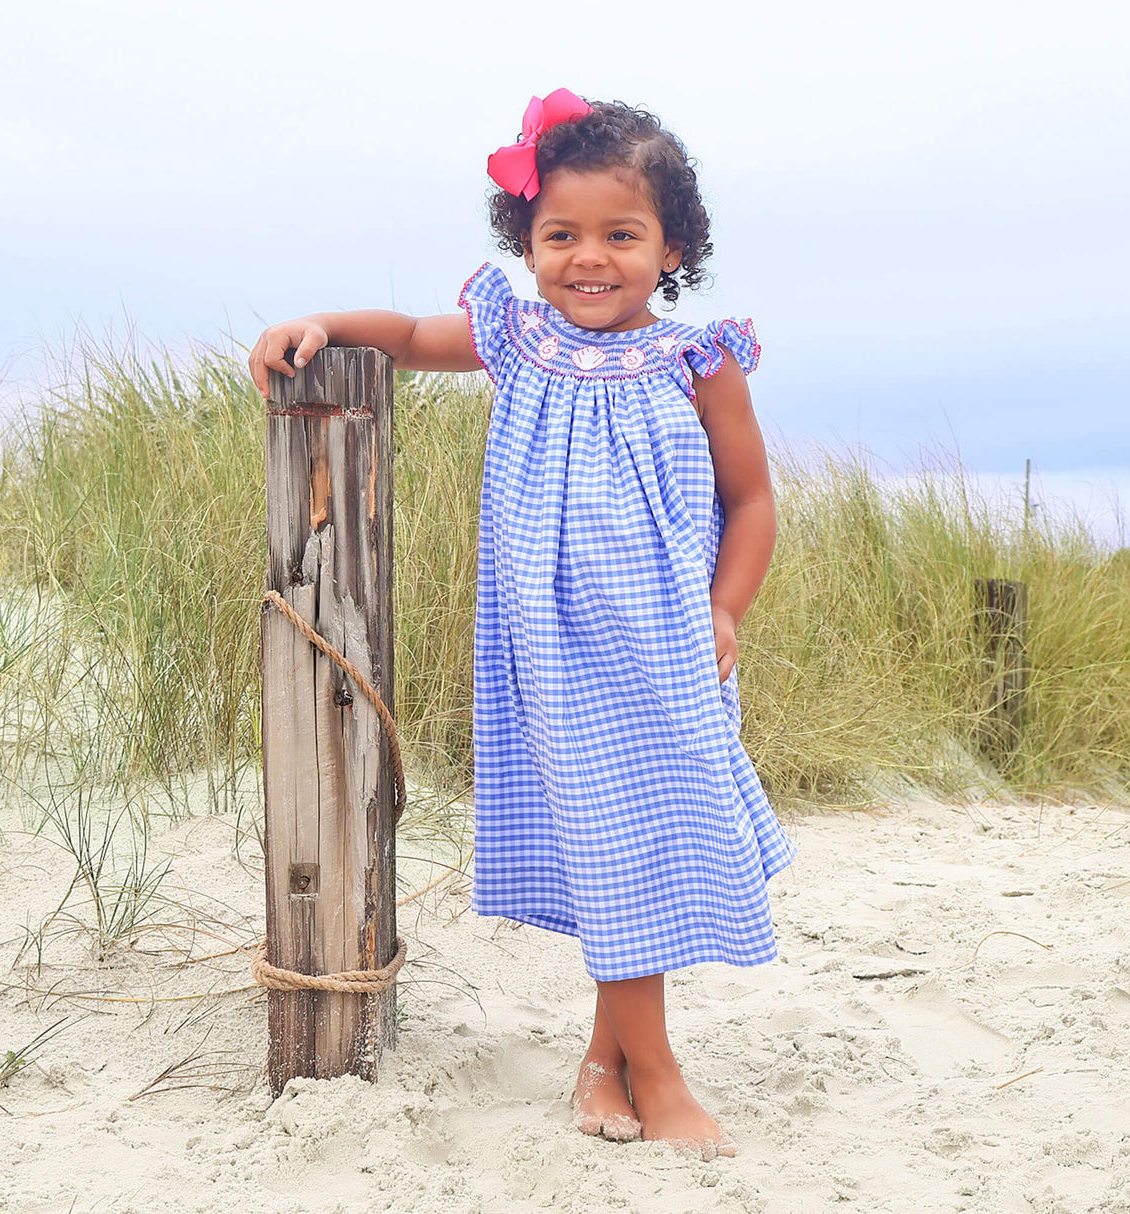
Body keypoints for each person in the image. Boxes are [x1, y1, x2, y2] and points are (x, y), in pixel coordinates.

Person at [249, 89, 796, 1161]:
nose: (588, 258)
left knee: (650, 840)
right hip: (552, 652)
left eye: (620, 235)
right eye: (559, 235)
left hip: (670, 646)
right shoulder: (521, 339)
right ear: (527, 241)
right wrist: (321, 324)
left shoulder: (700, 361)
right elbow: (410, 337)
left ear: (671, 247)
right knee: (606, 838)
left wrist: (725, 606)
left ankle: (608, 1058)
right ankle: (658, 1072)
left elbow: (753, 500)